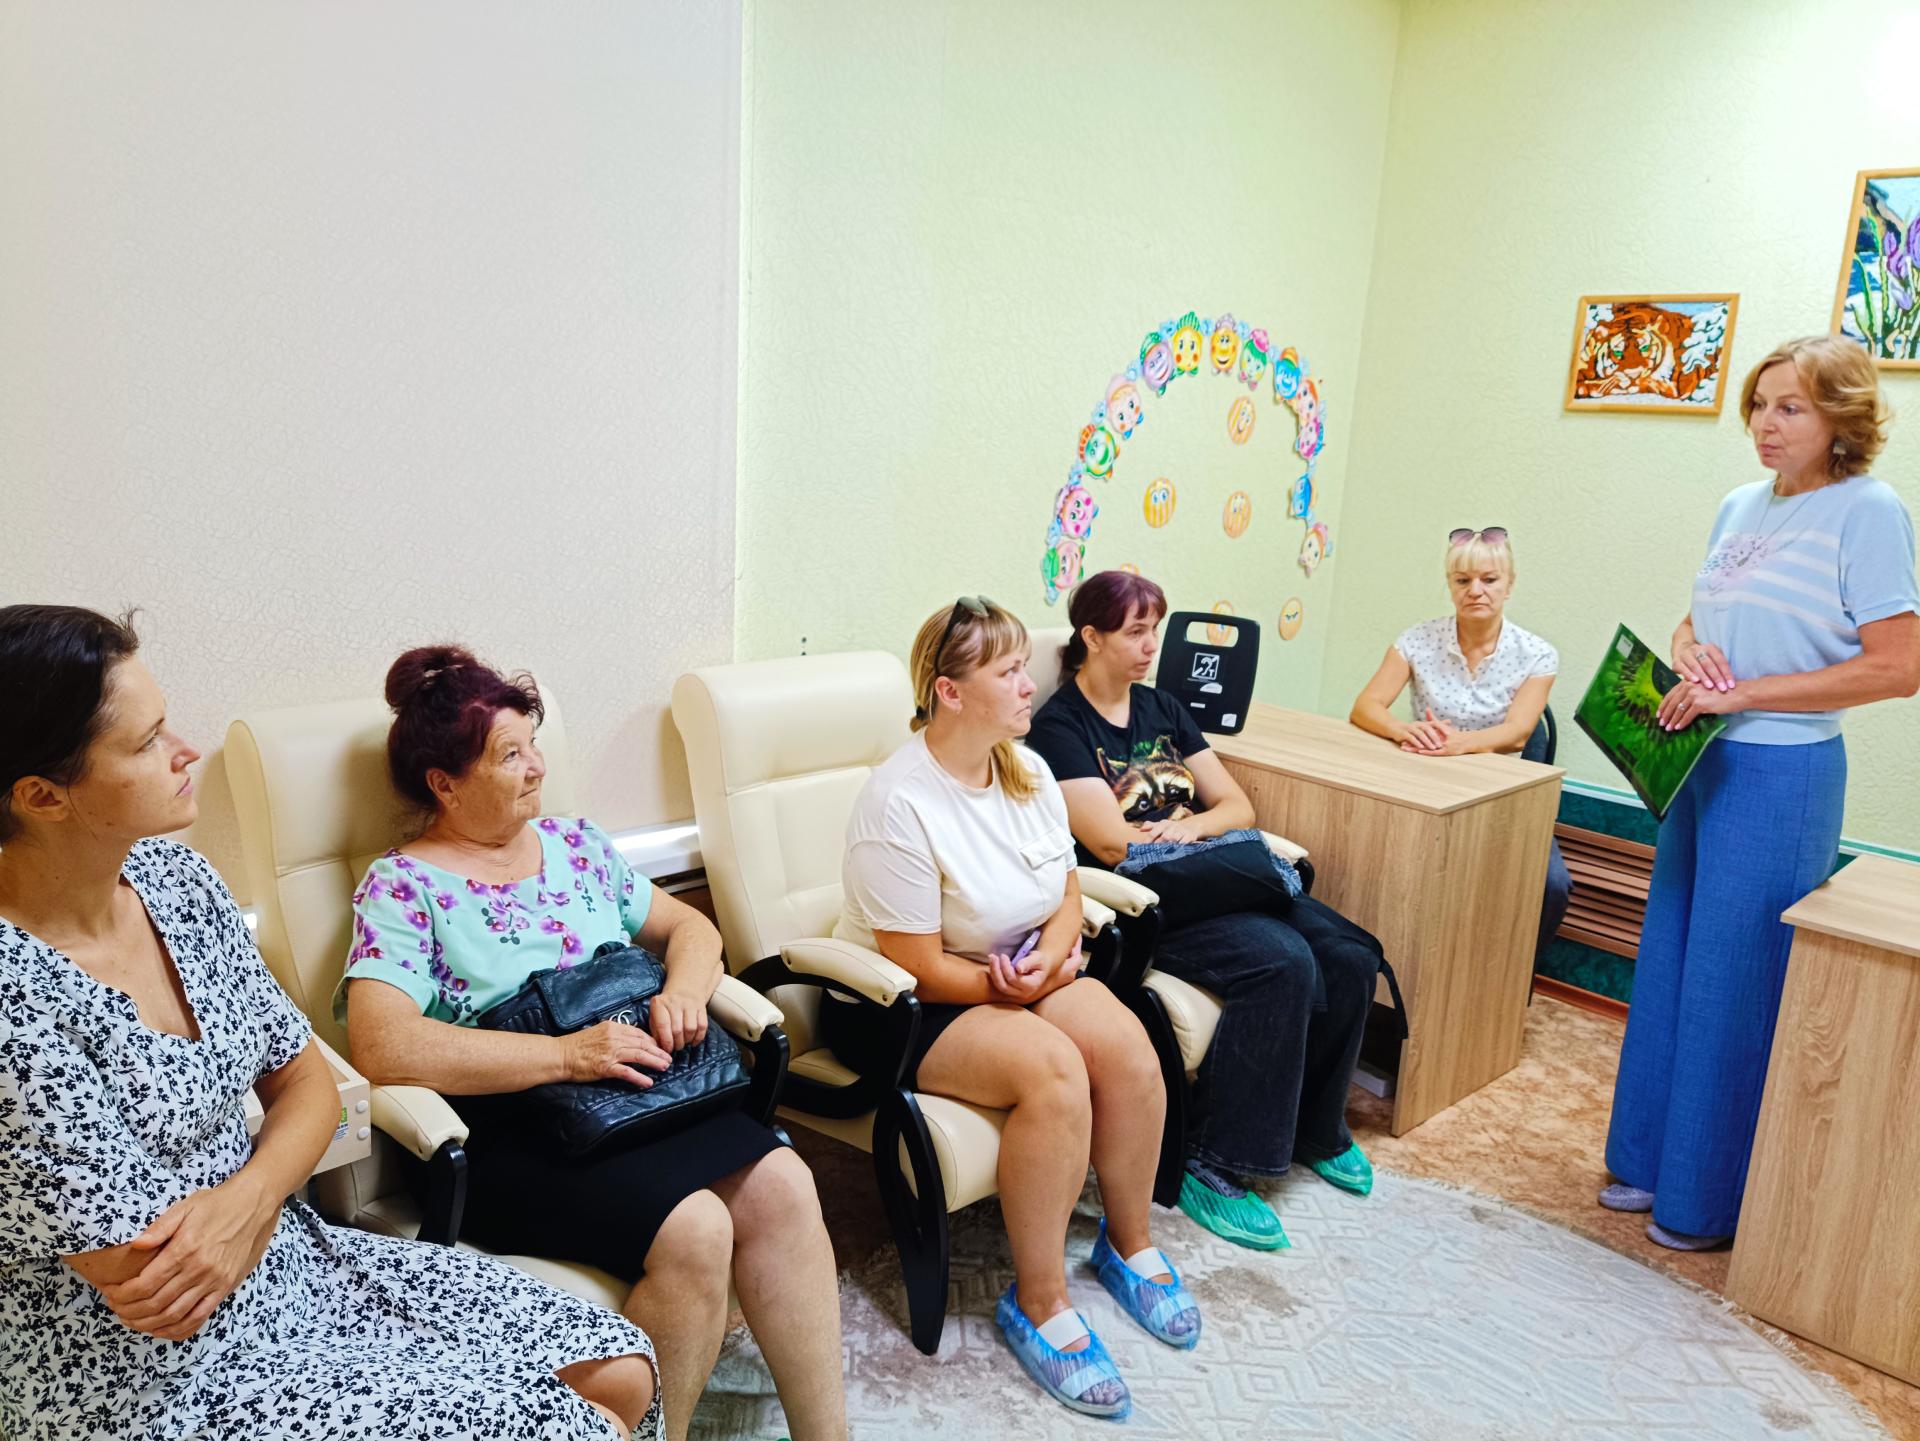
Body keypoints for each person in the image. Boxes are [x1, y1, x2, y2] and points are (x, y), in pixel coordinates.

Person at [0, 605, 658, 1441]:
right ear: (41, 796)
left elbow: (309, 1080)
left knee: (619, 1364)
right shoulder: (14, 998)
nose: (185, 750)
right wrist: (263, 1189)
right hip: (139, 1376)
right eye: (147, 741)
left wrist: (249, 1198)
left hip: (289, 1262)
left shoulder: (174, 881)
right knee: (571, 1427)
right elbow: (151, 1281)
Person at [342, 645, 845, 1441]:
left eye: (532, 744)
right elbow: (382, 1044)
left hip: (638, 1093)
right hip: (515, 1125)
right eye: (510, 754)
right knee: (697, 1228)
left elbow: (691, 928)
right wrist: (569, 1055)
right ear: (445, 783)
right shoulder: (403, 886)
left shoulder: (577, 845)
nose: (537, 766)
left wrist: (684, 991)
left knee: (785, 1180)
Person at [824, 597, 1198, 1420]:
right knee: (1055, 1073)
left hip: (1017, 970)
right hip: (904, 1002)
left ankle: (1129, 1243)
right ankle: (1039, 1300)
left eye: (1024, 667)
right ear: (950, 691)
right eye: (1009, 672)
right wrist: (1011, 987)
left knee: (1130, 1049)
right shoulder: (898, 801)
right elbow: (915, 964)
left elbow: (1066, 891)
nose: (1030, 684)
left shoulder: (1023, 770)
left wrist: (1058, 950)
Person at [1603, 336, 1920, 1251]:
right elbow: (1700, 613)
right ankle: (1645, 1161)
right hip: (1698, 757)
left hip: (1784, 771)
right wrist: (1690, 648)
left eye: (1790, 407)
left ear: (1842, 419)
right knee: (1670, 962)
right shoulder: (1740, 504)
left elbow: (1898, 667)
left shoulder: (1869, 511)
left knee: (1734, 981)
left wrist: (1745, 694)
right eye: (1758, 403)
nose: (1764, 424)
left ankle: (1700, 1202)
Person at [1026, 571, 1383, 1252]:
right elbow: (1111, 842)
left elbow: (1238, 805)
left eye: (1154, 630)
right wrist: (1187, 830)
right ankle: (1212, 1157)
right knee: (1282, 960)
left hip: (1208, 873)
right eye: (1135, 632)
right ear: (1091, 636)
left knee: (1351, 952)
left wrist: (1189, 827)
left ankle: (1316, 1128)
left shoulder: (1164, 707)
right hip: (1141, 903)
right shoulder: (1060, 727)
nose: (1151, 645)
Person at [1348, 526, 1569, 962]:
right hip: (1423, 783)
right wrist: (1402, 730)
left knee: (1552, 885)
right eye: (1463, 580)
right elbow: (1365, 706)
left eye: (1490, 579)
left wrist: (1459, 744)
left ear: (1509, 585)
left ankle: (1508, 972)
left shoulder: (1537, 654)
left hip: (1498, 792)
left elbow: (1518, 732)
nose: (1476, 591)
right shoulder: (1416, 640)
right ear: (1450, 585)